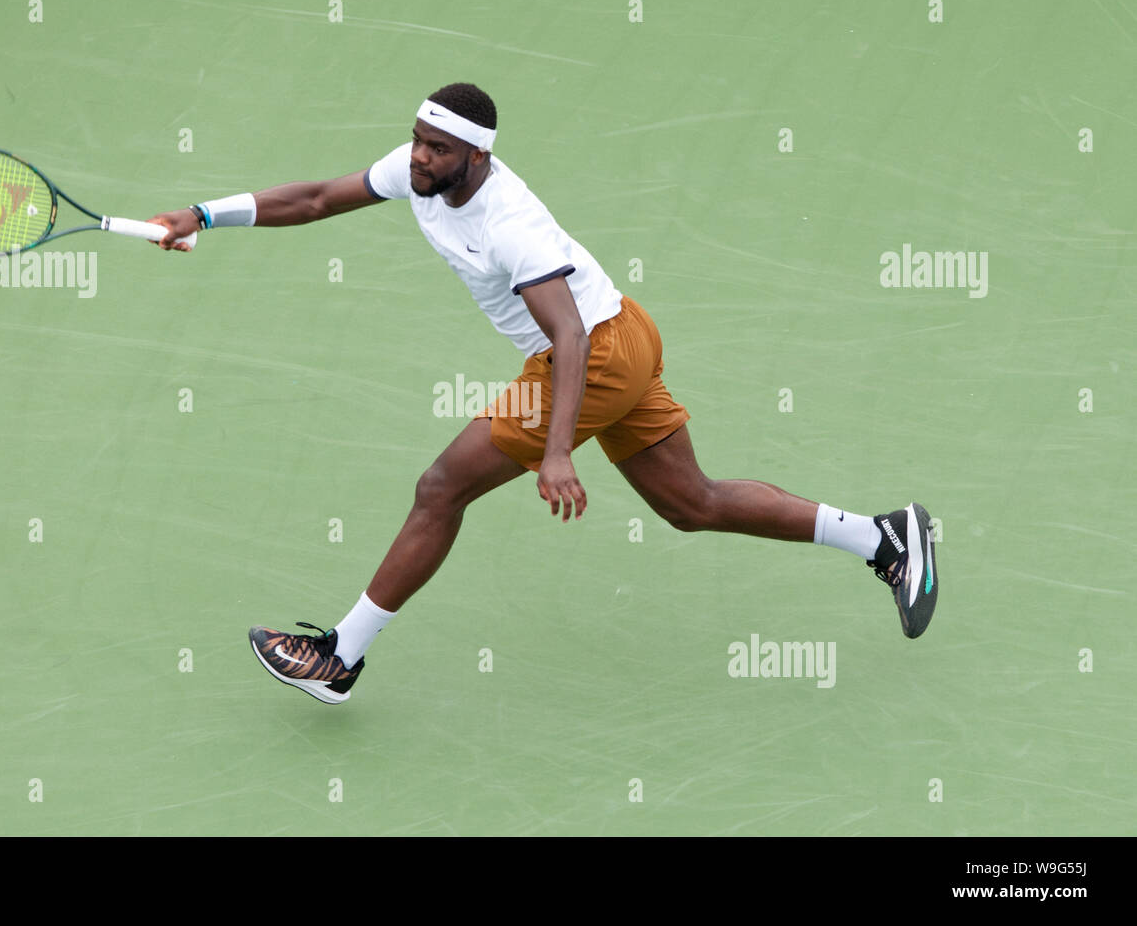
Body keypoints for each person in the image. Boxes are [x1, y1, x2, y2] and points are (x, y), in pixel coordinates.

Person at [147, 82, 938, 705]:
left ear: (478, 157)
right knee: (689, 503)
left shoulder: (510, 226)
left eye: (436, 149)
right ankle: (885, 539)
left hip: (589, 356)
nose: (417, 159)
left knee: (440, 487)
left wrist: (558, 451)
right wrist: (202, 215)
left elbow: (567, 339)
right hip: (622, 334)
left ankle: (339, 658)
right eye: (417, 142)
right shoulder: (417, 171)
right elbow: (318, 198)